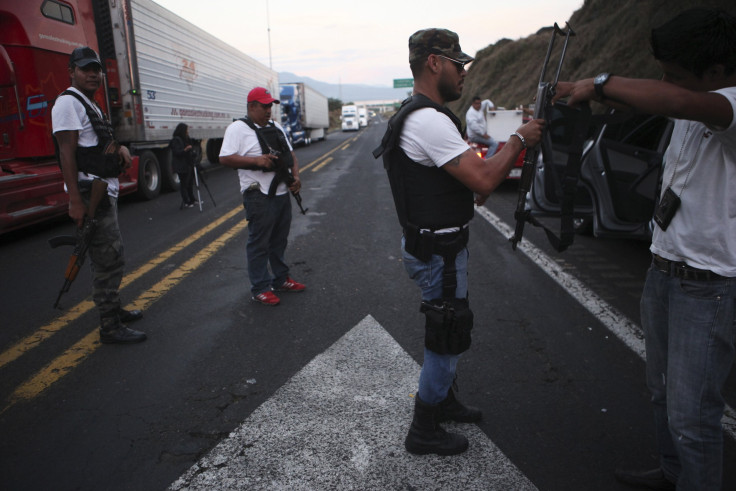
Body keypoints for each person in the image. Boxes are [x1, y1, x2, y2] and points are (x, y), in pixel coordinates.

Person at [553, 8, 736, 491]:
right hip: (663, 271)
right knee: (661, 394)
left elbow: (674, 100)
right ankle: (673, 474)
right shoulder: (687, 101)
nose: (665, 83)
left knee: (693, 417)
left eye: (674, 76)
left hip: (711, 287)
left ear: (716, 73)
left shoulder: (726, 105)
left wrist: (599, 83)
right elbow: (663, 101)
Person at [373, 28, 543, 455]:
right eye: (458, 63)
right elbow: (485, 177)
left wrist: (474, 184)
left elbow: (469, 181)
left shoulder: (419, 115)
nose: (463, 72)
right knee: (446, 334)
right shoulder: (428, 119)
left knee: (446, 325)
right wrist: (520, 138)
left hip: (432, 244)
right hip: (440, 252)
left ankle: (444, 399)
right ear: (434, 62)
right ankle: (425, 428)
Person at [52, 46, 146, 344]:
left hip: (103, 188)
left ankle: (114, 309)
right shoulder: (68, 103)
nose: (93, 74)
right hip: (88, 191)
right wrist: (75, 201)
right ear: (72, 72)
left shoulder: (89, 103)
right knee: (108, 258)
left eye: (96, 69)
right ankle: (109, 325)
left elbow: (99, 141)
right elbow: (66, 153)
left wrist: (120, 149)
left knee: (108, 255)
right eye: (85, 69)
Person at [219, 87, 306, 306]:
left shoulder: (276, 127)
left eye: (270, 106)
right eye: (264, 106)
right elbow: (225, 158)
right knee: (259, 243)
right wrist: (256, 161)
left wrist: (295, 177)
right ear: (251, 106)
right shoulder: (237, 129)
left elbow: (291, 155)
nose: (269, 110)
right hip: (258, 195)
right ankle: (260, 287)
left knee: (279, 240)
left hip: (282, 192)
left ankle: (280, 279)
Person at [170, 122, 197, 208]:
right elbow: (176, 152)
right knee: (184, 183)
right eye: (186, 130)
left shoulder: (185, 139)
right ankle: (186, 201)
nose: (187, 132)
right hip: (181, 165)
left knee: (189, 183)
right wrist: (185, 150)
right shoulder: (176, 140)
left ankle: (192, 199)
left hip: (187, 163)